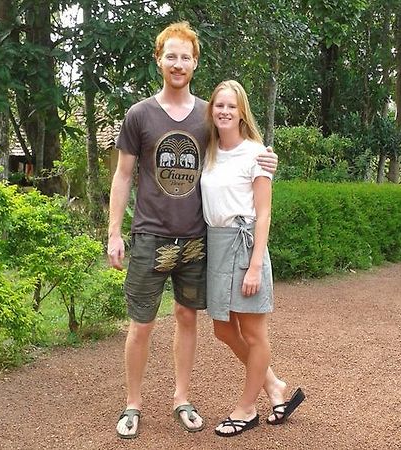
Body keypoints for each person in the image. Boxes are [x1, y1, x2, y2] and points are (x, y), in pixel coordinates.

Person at [107, 22, 278, 439]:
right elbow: (123, 175)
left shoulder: (206, 117)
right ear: (159, 60)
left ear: (195, 63)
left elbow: (239, 146)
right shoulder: (140, 114)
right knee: (141, 324)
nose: (178, 64)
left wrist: (267, 160)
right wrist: (114, 232)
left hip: (196, 238)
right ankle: (133, 403)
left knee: (188, 318)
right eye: (171, 56)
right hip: (149, 235)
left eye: (185, 57)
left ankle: (182, 398)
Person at [201, 80, 305, 437]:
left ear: (242, 111)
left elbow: (264, 213)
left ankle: (246, 409)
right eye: (219, 106)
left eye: (231, 106)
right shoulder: (209, 151)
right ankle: (274, 385)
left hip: (245, 245)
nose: (224, 112)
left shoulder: (256, 154)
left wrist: (256, 264)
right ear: (211, 110)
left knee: (253, 331)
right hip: (216, 244)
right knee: (223, 329)